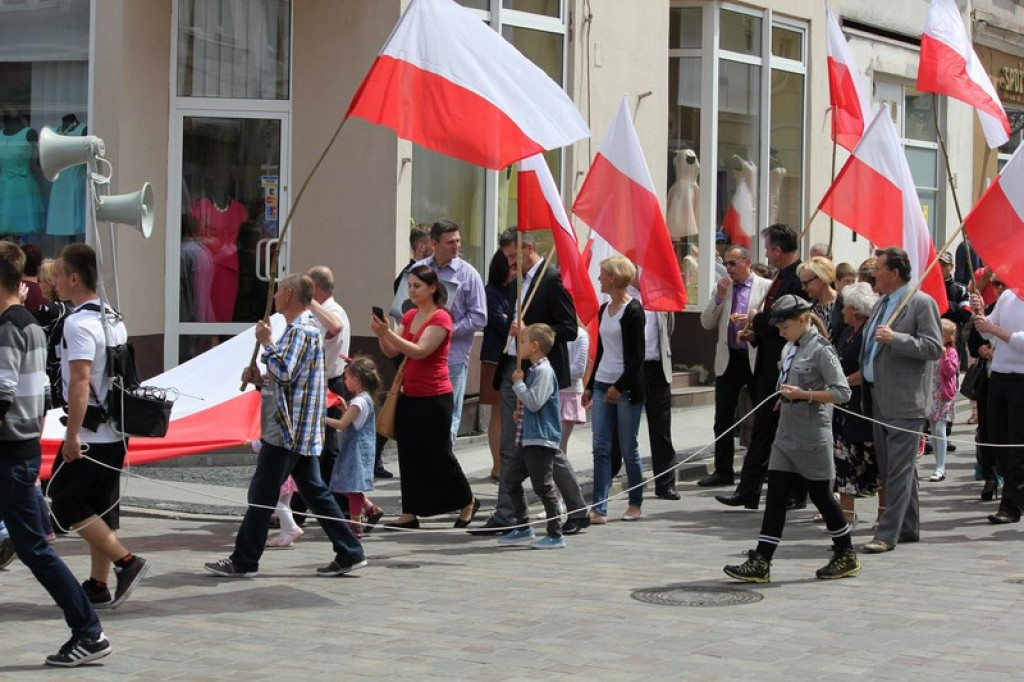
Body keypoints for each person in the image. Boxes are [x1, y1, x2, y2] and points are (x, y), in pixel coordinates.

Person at [205, 273, 367, 577]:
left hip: (288, 430)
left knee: (262, 494)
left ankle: (244, 560)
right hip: (298, 428)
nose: (275, 297)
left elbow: (284, 371)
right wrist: (259, 380)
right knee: (315, 492)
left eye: (279, 291)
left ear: (290, 295)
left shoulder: (299, 331)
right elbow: (285, 382)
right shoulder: (303, 331)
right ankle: (349, 551)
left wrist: (266, 343)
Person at [0, 241, 112, 667]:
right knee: (33, 546)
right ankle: (88, 630)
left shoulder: (10, 327)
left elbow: (2, 395)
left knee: (36, 549)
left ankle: (89, 631)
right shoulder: (27, 323)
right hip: (19, 450)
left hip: (10, 455)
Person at [723, 295, 856, 582]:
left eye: (785, 326)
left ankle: (845, 552)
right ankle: (762, 560)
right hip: (786, 433)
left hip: (811, 435)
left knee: (822, 496)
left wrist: (804, 395)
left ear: (802, 319)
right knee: (776, 496)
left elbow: (843, 392)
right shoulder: (788, 348)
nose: (781, 332)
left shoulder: (821, 350)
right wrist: (785, 398)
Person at [47, 244, 148, 608]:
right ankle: (97, 585)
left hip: (91, 433)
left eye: (58, 275)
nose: (54, 282)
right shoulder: (112, 317)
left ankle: (127, 562)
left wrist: (72, 435)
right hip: (116, 431)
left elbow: (80, 381)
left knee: (64, 503)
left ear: (74, 278)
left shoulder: (78, 323)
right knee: (101, 510)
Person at [472, 227, 589, 536]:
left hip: (540, 372)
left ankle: (577, 509)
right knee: (511, 446)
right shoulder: (516, 283)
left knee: (546, 447)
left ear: (527, 249)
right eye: (507, 258)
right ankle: (507, 514)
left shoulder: (550, 280)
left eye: (513, 257)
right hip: (514, 369)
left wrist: (531, 330)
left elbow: (569, 328)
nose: (510, 264)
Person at [370, 265, 477, 528]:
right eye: (410, 286)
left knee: (439, 453)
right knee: (410, 453)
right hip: (409, 393)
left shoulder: (442, 317)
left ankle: (467, 501)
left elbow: (420, 350)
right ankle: (410, 512)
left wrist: (389, 334)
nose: (412, 291)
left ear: (432, 288)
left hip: (435, 396)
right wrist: (382, 335)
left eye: (417, 286)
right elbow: (393, 352)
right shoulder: (408, 316)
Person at [717, 223, 809, 510]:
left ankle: (794, 492)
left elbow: (786, 318)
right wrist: (756, 331)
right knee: (763, 429)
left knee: (783, 430)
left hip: (785, 365)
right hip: (769, 362)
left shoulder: (797, 278)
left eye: (768, 248)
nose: (765, 254)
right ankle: (750, 490)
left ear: (778, 250)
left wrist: (755, 320)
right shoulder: (782, 275)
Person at [860, 247, 943, 553]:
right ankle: (908, 527)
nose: (873, 274)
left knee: (898, 470)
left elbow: (934, 347)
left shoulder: (920, 303)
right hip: (878, 398)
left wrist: (897, 339)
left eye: (878, 268)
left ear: (895, 273)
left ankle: (887, 533)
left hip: (905, 401)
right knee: (897, 468)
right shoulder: (883, 302)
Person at [699, 245, 771, 487]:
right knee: (723, 418)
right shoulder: (723, 288)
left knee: (763, 415)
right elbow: (707, 322)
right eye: (726, 264)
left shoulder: (764, 287)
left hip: (754, 357)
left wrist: (753, 323)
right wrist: (719, 297)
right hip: (728, 358)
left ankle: (764, 467)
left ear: (747, 262)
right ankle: (723, 470)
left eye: (733, 263)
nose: (728, 269)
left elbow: (771, 325)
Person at [585, 256, 646, 523]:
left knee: (628, 446)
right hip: (601, 382)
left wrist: (618, 387)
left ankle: (635, 501)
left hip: (626, 388)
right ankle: (599, 505)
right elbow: (601, 352)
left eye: (601, 274)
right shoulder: (604, 309)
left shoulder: (633, 310)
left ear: (612, 277)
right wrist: (590, 385)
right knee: (600, 445)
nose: (598, 278)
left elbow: (636, 358)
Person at [288, 265, 351, 524]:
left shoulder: (333, 311)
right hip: (322, 384)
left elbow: (334, 326)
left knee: (320, 450)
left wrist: (310, 302)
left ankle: (315, 506)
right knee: (322, 449)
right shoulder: (324, 311)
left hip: (328, 384)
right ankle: (326, 506)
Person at [415, 219, 487, 446]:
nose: (456, 246)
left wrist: (446, 331)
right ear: (434, 243)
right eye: (450, 242)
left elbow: (479, 316)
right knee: (422, 416)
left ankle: (443, 469)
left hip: (452, 358)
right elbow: (404, 307)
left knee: (447, 417)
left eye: (458, 240)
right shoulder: (419, 271)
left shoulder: (468, 274)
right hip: (419, 354)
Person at [496, 323, 567, 549]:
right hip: (528, 437)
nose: (521, 345)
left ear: (535, 346)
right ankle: (523, 526)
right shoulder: (536, 370)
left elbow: (535, 402)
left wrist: (518, 384)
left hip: (540, 439)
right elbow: (532, 405)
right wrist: (522, 414)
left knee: (543, 487)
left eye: (524, 342)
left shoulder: (544, 371)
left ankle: (555, 534)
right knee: (511, 479)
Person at [972, 286, 1024, 525]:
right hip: (1000, 376)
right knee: (997, 439)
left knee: (1017, 442)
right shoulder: (1007, 296)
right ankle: (1016, 493)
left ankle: (1011, 505)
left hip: (1021, 378)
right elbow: (987, 332)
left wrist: (993, 329)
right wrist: (980, 313)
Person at [831, 282, 880, 528]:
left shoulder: (869, 333)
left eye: (846, 307)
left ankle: (883, 514)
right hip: (843, 408)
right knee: (843, 460)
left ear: (856, 310)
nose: (842, 311)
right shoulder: (844, 333)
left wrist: (845, 382)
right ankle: (847, 516)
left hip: (863, 405)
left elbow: (871, 368)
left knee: (874, 461)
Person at [327, 357, 385, 539]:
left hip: (356, 450)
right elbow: (353, 421)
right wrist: (345, 408)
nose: (345, 381)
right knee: (347, 485)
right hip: (360, 448)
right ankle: (371, 509)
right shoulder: (364, 399)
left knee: (350, 487)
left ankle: (355, 525)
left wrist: (320, 418)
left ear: (356, 379)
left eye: (346, 377)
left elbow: (342, 424)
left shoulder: (358, 402)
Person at [481, 248, 514, 480]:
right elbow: (500, 324)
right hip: (495, 357)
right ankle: (497, 464)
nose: (515, 271)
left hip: (513, 357)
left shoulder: (513, 291)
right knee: (498, 410)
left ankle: (509, 461)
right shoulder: (491, 292)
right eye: (511, 266)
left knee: (510, 411)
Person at [967, 280, 1001, 500]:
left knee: (1009, 431)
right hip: (988, 381)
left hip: (1011, 378)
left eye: (1002, 284)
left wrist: (997, 351)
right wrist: (979, 349)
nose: (999, 288)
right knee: (987, 429)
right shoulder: (987, 311)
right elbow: (972, 341)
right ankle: (990, 475)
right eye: (996, 284)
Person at [927, 319, 960, 482]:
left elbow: (951, 372)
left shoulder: (951, 352)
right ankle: (938, 464)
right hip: (931, 393)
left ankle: (941, 467)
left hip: (943, 395)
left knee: (940, 429)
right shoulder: (932, 350)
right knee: (933, 430)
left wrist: (944, 356)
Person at [559, 324, 589, 460]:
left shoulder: (580, 335)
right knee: (551, 447)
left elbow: (578, 370)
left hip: (569, 393)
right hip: (551, 393)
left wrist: (552, 370)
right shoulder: (552, 331)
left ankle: (564, 480)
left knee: (558, 446)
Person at [799, 256, 840, 339]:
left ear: (822, 279)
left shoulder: (843, 304)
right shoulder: (809, 308)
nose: (803, 288)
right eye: (802, 284)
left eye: (806, 283)